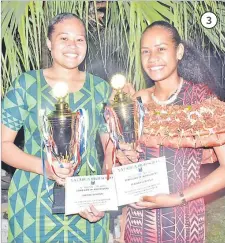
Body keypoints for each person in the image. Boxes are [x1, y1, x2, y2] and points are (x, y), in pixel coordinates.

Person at [1, 13, 113, 243]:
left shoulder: (100, 88)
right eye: (64, 38)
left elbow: (110, 147)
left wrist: (105, 193)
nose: (73, 46)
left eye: (79, 39)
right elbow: (2, 145)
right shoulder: (27, 84)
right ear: (49, 43)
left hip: (86, 200)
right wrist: (45, 167)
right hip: (33, 202)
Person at [116, 21, 225, 243]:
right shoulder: (136, 101)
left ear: (179, 52)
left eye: (161, 49)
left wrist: (176, 199)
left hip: (183, 223)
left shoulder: (201, 102)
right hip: (138, 225)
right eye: (146, 51)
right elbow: (125, 164)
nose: (152, 58)